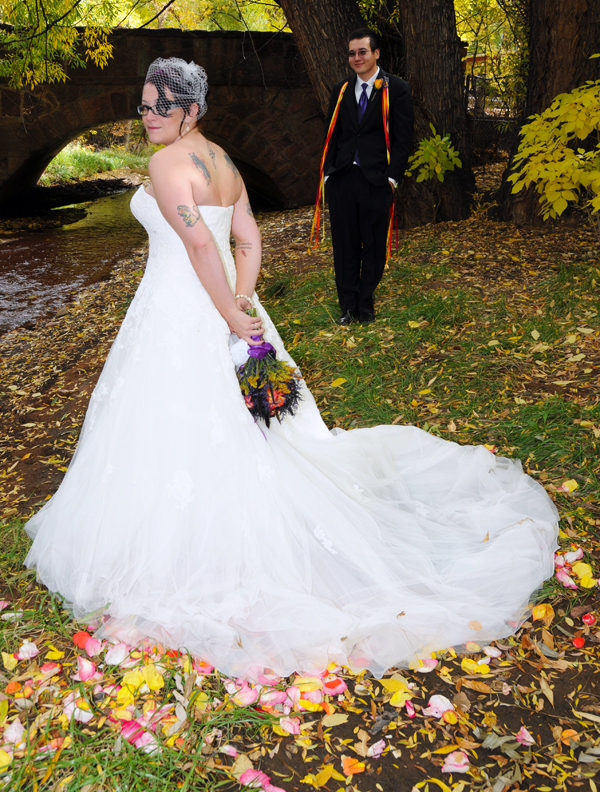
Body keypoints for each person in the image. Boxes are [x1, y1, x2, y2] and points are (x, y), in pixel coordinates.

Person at [25, 57, 557, 681]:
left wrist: (228, 315)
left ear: (189, 111)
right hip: (228, 305)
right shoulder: (223, 162)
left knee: (179, 424)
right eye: (143, 105)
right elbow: (245, 239)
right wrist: (245, 303)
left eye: (157, 108)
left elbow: (203, 244)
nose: (146, 117)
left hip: (186, 312)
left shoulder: (168, 163)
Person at [322, 28, 414, 325]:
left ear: (376, 53)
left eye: (362, 52)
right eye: (352, 53)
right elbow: (331, 132)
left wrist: (392, 179)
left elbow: (403, 139)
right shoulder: (341, 89)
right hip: (342, 178)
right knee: (344, 245)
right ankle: (347, 307)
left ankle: (365, 304)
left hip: (376, 180)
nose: (357, 58)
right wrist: (327, 172)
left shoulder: (396, 89)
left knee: (373, 245)